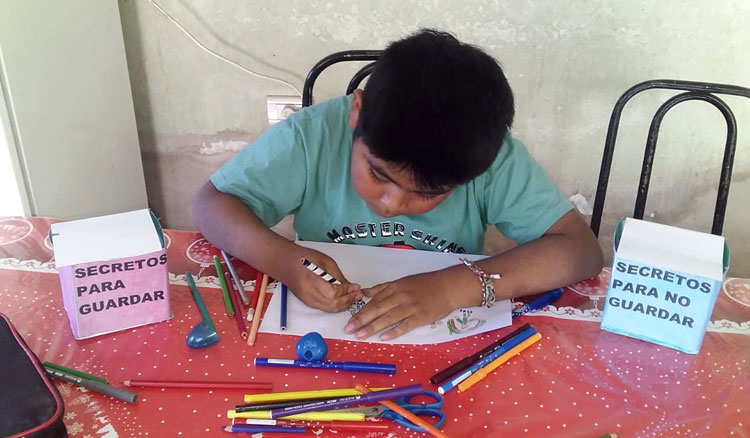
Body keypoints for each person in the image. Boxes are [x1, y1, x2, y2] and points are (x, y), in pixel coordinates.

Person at [191, 29, 603, 341]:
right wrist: (283, 260)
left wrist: (454, 287)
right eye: (378, 175)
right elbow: (211, 205)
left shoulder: (493, 160)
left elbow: (580, 252)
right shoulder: (312, 137)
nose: (391, 204)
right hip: (324, 333)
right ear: (357, 112)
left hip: (443, 339)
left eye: (427, 193)